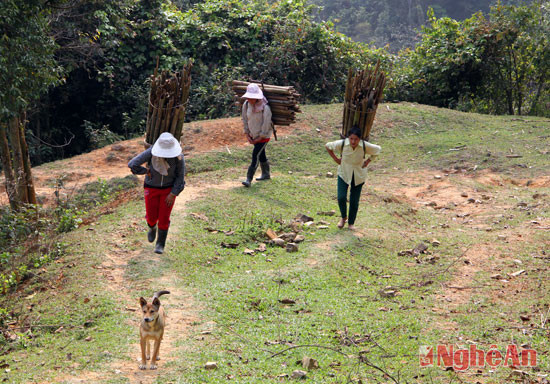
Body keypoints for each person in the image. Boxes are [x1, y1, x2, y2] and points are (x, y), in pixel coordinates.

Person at [128, 132, 185, 254]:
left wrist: (173, 193)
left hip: (168, 190)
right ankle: (152, 227)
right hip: (151, 188)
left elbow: (180, 177)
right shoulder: (151, 151)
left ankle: (160, 244)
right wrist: (145, 171)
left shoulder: (179, 156)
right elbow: (132, 164)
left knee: (164, 218)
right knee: (151, 217)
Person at [325, 126, 381, 230]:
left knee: (354, 201)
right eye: (351, 138)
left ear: (359, 139)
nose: (353, 141)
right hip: (344, 173)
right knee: (341, 197)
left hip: (358, 175)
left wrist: (368, 161)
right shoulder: (342, 144)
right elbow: (328, 146)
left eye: (356, 139)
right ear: (348, 138)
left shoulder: (364, 146)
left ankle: (351, 223)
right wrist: (336, 159)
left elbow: (378, 149)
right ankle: (343, 217)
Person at [241, 83, 273, 187]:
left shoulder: (265, 108)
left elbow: (266, 125)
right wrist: (248, 135)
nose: (250, 99)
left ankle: (248, 179)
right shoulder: (246, 105)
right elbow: (245, 120)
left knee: (255, 155)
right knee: (261, 154)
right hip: (253, 135)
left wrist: (259, 138)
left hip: (264, 137)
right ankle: (266, 174)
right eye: (249, 97)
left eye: (252, 97)